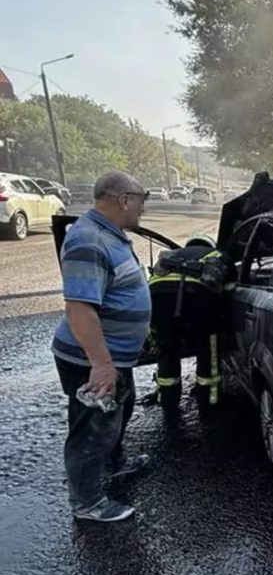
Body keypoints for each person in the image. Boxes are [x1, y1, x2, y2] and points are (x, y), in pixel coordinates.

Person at [51, 171, 152, 522]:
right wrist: (102, 364)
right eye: (143, 198)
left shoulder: (109, 236)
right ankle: (88, 503)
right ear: (124, 199)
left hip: (110, 355)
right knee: (92, 429)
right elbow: (80, 309)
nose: (144, 207)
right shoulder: (89, 241)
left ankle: (112, 468)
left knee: (116, 414)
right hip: (89, 359)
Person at [148, 234, 234, 410]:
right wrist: (219, 321)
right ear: (210, 245)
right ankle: (208, 401)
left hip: (159, 300)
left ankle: (168, 399)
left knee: (167, 350)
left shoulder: (172, 256)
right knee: (207, 350)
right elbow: (229, 292)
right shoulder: (219, 256)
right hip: (198, 301)